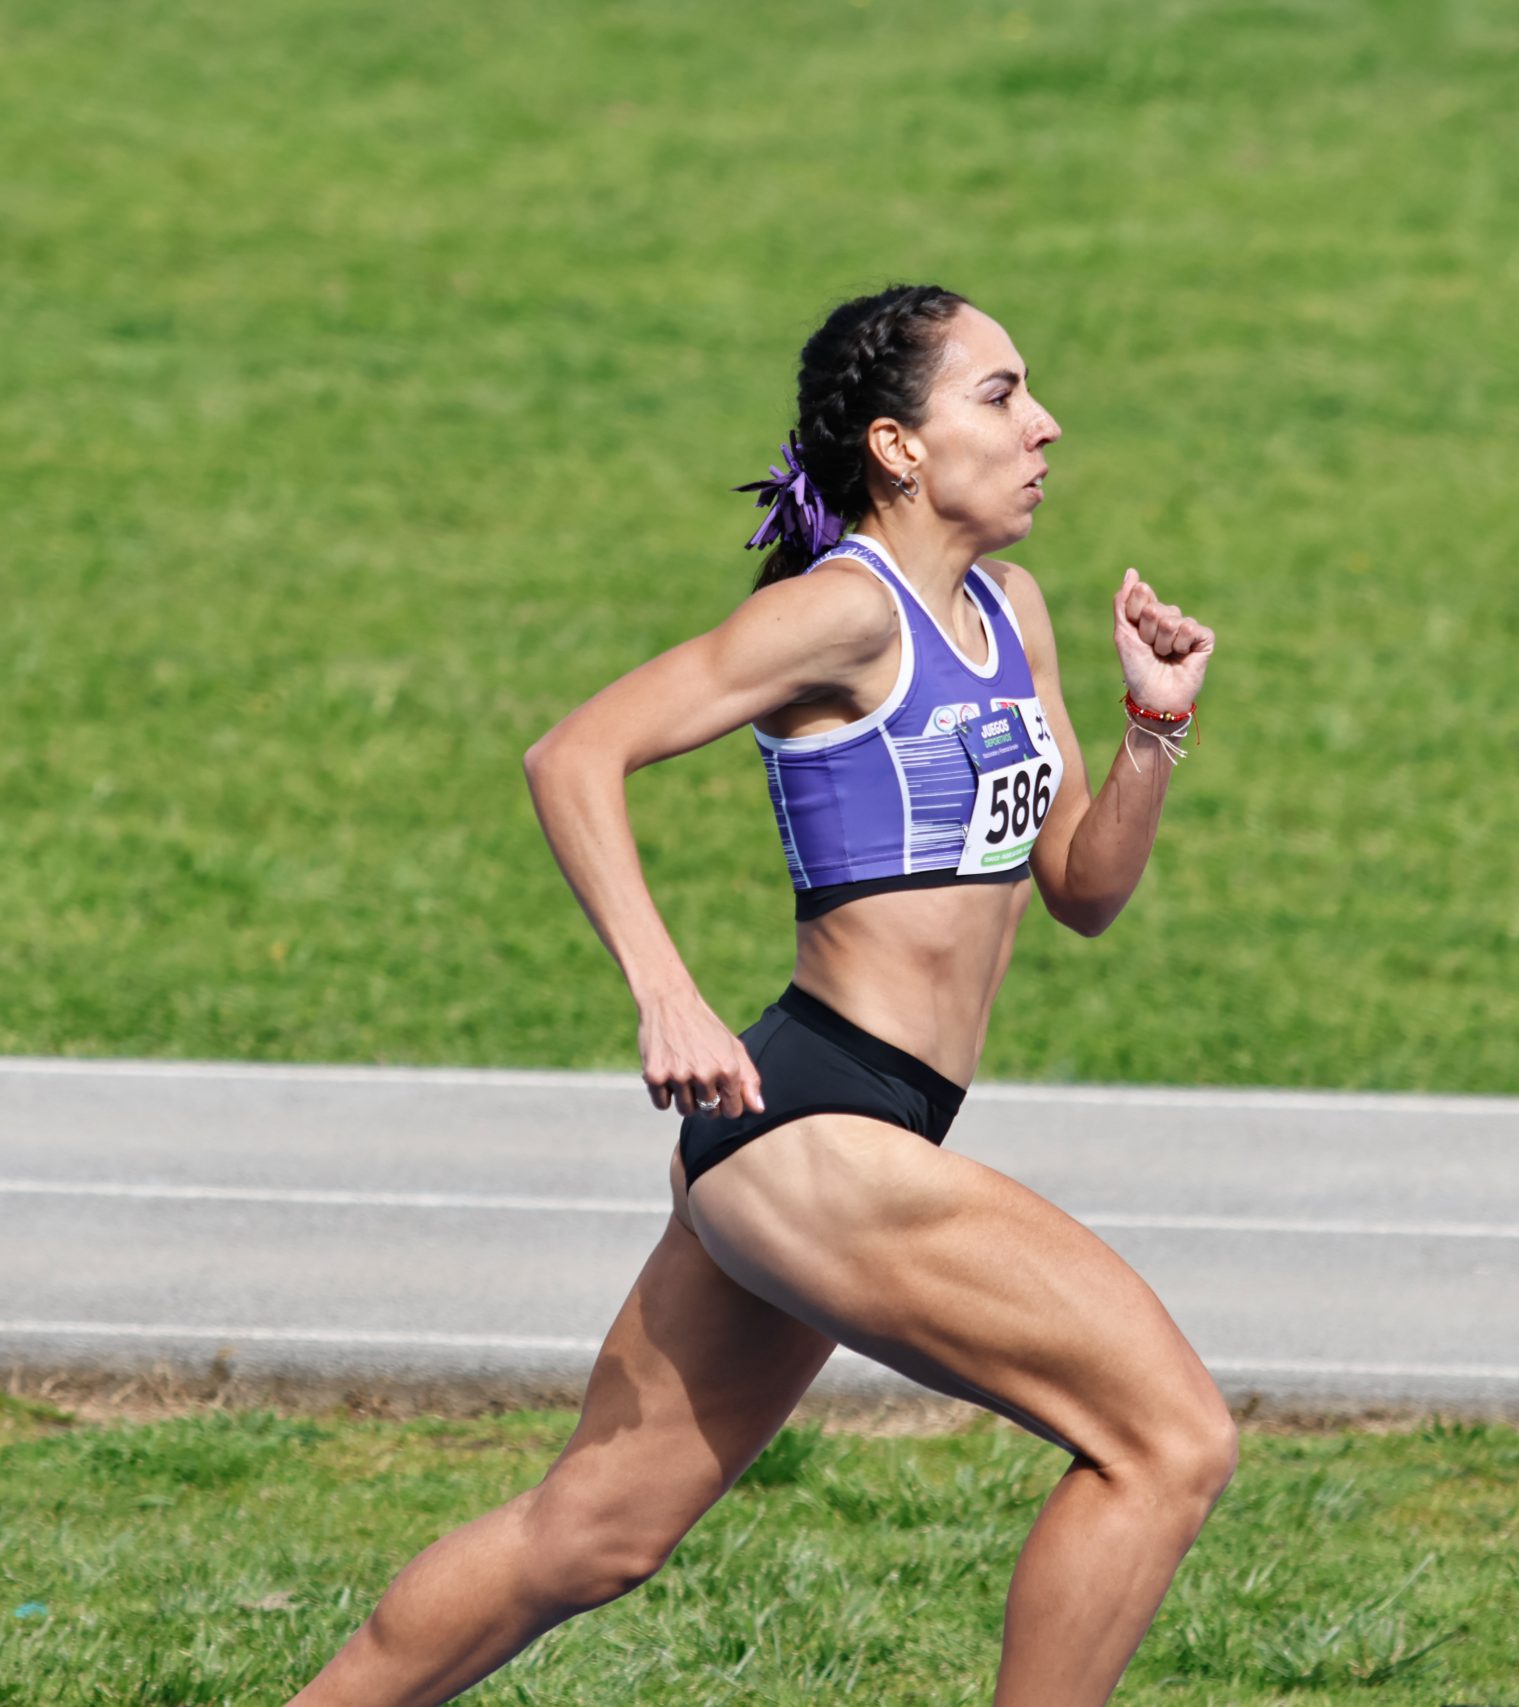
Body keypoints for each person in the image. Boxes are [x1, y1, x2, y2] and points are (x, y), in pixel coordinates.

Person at [286, 283, 1227, 1707]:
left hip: (856, 1132)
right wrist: (665, 994)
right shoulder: (841, 615)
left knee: (590, 1534)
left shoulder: (1011, 613)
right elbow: (574, 754)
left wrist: (1152, 721)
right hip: (808, 1128)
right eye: (1001, 395)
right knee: (1169, 1439)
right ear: (899, 447)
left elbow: (1082, 891)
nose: (1044, 425)